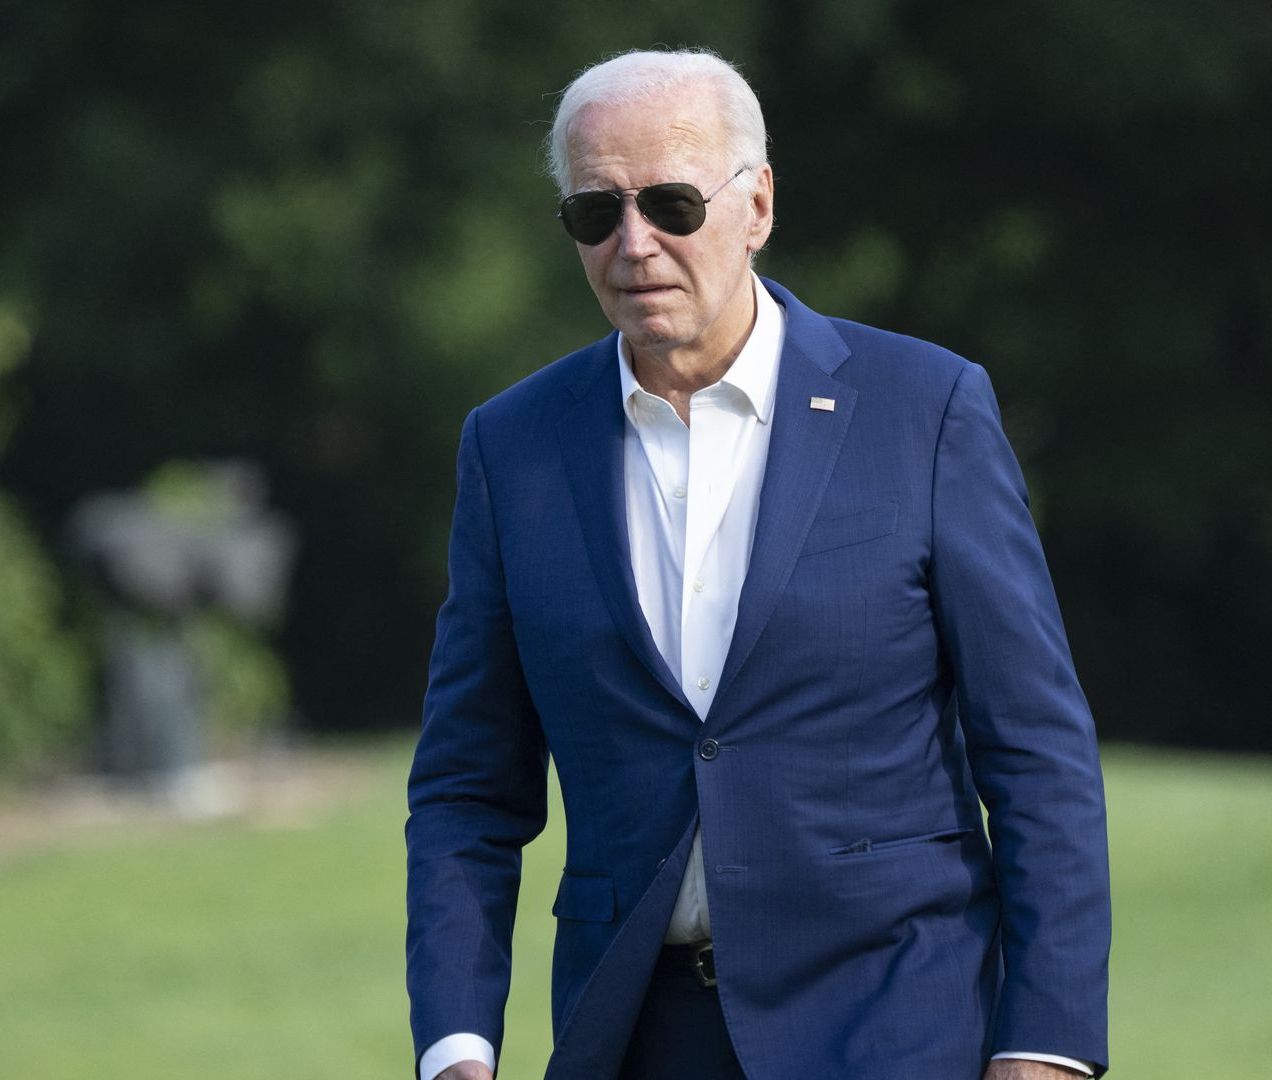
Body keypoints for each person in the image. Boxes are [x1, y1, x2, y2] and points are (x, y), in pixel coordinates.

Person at [405, 48, 1110, 1080]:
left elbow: (1038, 750)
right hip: (633, 1035)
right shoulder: (512, 448)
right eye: (596, 213)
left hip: (897, 1029)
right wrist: (455, 1044)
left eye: (672, 204)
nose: (634, 243)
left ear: (758, 206)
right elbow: (467, 790)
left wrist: (1044, 1045)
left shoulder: (925, 411)